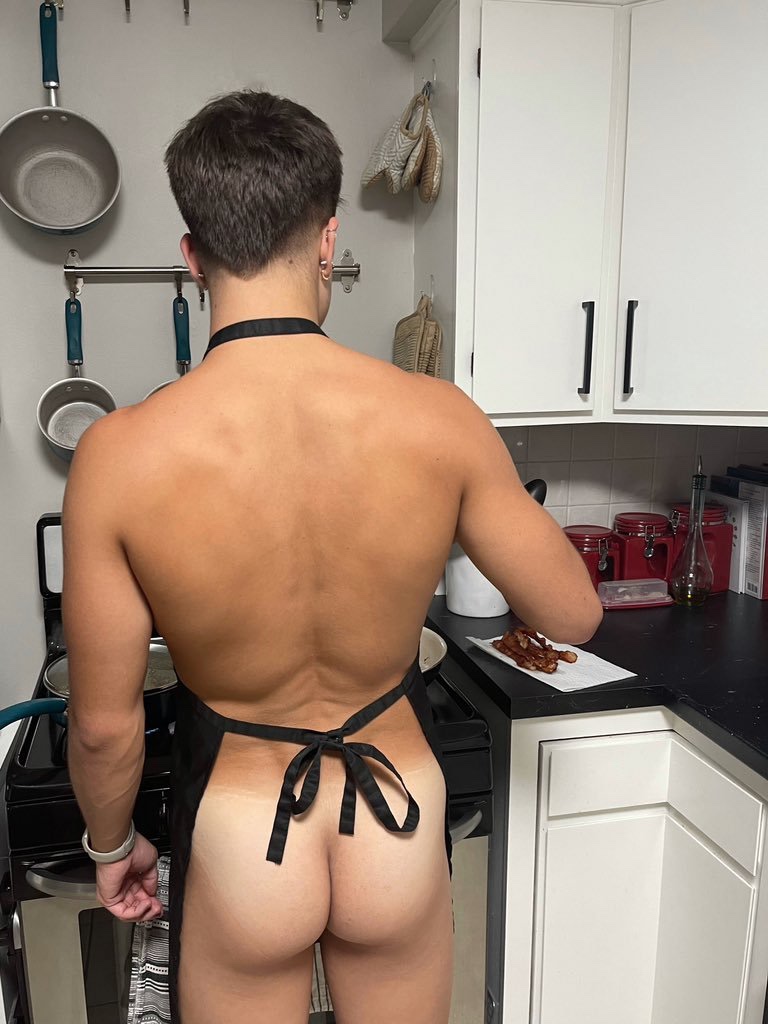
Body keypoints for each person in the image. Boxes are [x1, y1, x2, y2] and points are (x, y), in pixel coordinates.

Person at [62, 90, 603, 1024]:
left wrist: (112, 849)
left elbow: (106, 729)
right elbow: (573, 615)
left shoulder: (118, 455)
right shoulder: (438, 418)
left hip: (246, 836)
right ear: (328, 240)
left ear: (193, 258)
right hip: (397, 815)